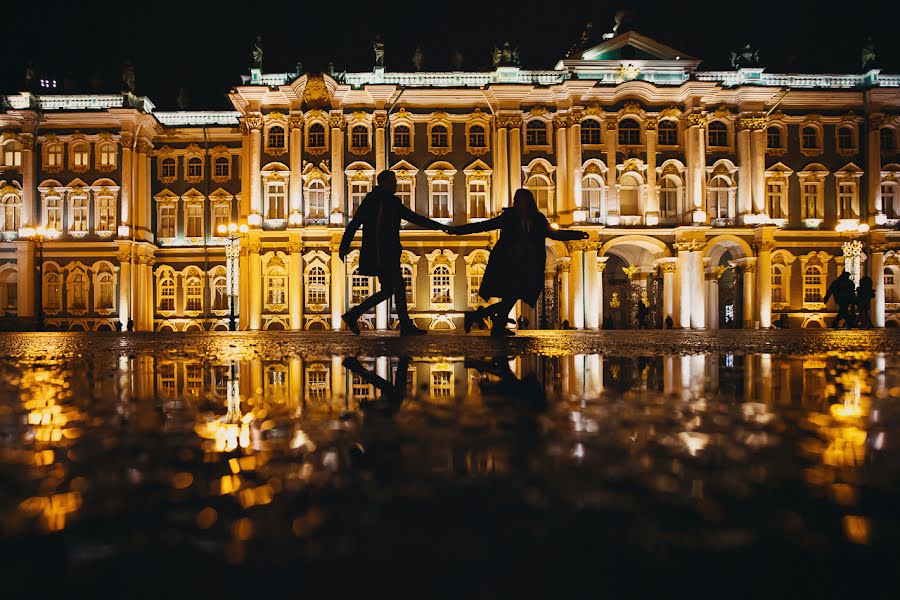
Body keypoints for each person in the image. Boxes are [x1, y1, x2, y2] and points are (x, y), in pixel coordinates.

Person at [452, 189, 588, 336]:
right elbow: (484, 225)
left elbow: (554, 234)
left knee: (511, 295)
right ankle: (489, 321)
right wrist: (457, 231)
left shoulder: (524, 218)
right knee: (512, 295)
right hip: (513, 265)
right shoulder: (526, 217)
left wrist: (577, 234)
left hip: (520, 265)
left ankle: (489, 321)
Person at [339, 170, 450, 335]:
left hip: (389, 252)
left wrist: (438, 226)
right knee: (397, 286)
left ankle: (354, 314)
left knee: (390, 289)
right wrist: (344, 245)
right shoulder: (373, 201)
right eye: (392, 182)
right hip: (380, 252)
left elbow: (413, 217)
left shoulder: (392, 202)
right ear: (382, 183)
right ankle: (403, 325)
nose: (395, 185)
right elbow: (355, 223)